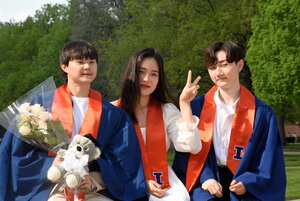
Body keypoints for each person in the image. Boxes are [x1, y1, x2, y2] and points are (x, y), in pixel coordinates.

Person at [0, 40, 147, 201]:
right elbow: (17, 154)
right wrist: (50, 164)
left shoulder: (112, 115)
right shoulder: (40, 106)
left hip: (94, 188)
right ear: (64, 66)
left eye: (92, 62)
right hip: (54, 186)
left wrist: (94, 180)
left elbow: (123, 159)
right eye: (80, 62)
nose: (87, 67)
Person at [172, 41, 286, 201]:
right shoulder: (197, 107)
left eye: (224, 65)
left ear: (239, 65)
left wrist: (248, 181)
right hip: (207, 179)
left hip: (244, 180)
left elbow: (268, 157)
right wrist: (206, 178)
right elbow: (187, 152)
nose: (218, 73)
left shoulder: (261, 113)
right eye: (212, 68)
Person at [112, 48, 202, 201]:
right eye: (141, 72)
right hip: (124, 179)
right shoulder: (113, 112)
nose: (147, 79)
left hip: (162, 181)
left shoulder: (166, 111)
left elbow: (191, 146)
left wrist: (185, 104)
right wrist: (141, 182)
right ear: (131, 73)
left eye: (154, 74)